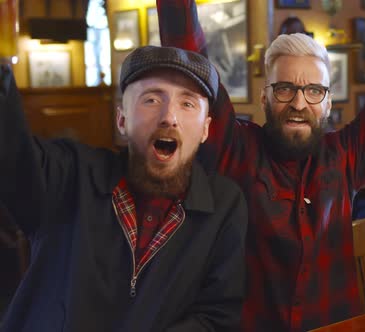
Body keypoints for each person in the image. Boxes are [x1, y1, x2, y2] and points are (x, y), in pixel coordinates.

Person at [156, 0, 365, 330]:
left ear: (328, 102)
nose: (299, 103)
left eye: (314, 90)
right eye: (285, 88)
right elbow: (190, 61)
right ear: (265, 97)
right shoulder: (235, 149)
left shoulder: (346, 156)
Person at [0, 46, 247, 331]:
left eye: (187, 103)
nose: (169, 116)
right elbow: (14, 161)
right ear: (122, 120)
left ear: (205, 129)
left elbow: (216, 315)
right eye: (152, 99)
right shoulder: (70, 174)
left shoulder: (225, 203)